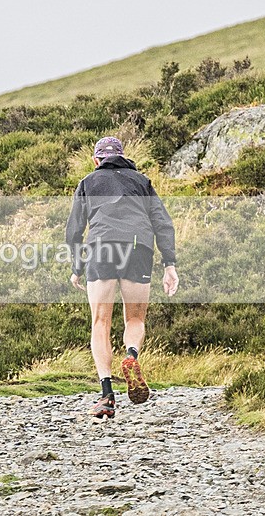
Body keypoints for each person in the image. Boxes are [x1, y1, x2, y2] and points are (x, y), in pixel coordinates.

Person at [66, 137, 179, 419]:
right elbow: (163, 223)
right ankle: (131, 356)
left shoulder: (87, 183)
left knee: (100, 322)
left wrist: (77, 266)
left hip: (101, 248)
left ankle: (106, 396)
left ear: (96, 161)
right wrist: (169, 264)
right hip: (138, 247)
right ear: (123, 156)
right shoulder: (142, 181)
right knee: (135, 319)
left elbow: (74, 230)